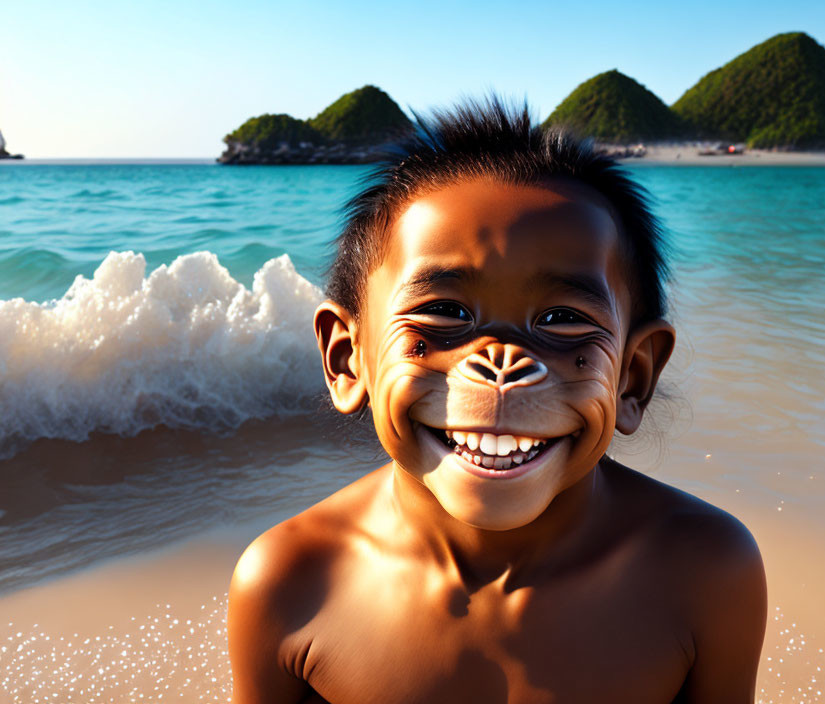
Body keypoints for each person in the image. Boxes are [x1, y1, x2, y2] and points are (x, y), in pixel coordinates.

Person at [227, 98, 767, 703]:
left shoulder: (704, 572)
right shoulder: (288, 582)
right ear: (349, 359)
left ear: (633, 377)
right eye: (445, 312)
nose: (501, 364)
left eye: (561, 319)